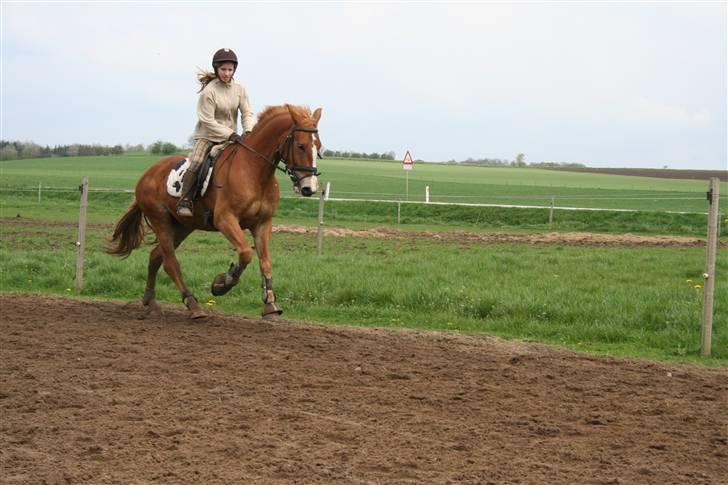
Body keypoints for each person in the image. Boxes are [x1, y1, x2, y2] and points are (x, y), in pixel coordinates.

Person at [177, 47, 256, 217]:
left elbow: (247, 112)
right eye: (223, 69)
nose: (227, 73)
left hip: (232, 137)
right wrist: (230, 134)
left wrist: (248, 131)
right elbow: (208, 121)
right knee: (197, 161)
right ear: (216, 69)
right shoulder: (209, 92)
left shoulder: (240, 89)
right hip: (208, 136)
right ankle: (185, 200)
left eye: (230, 69)